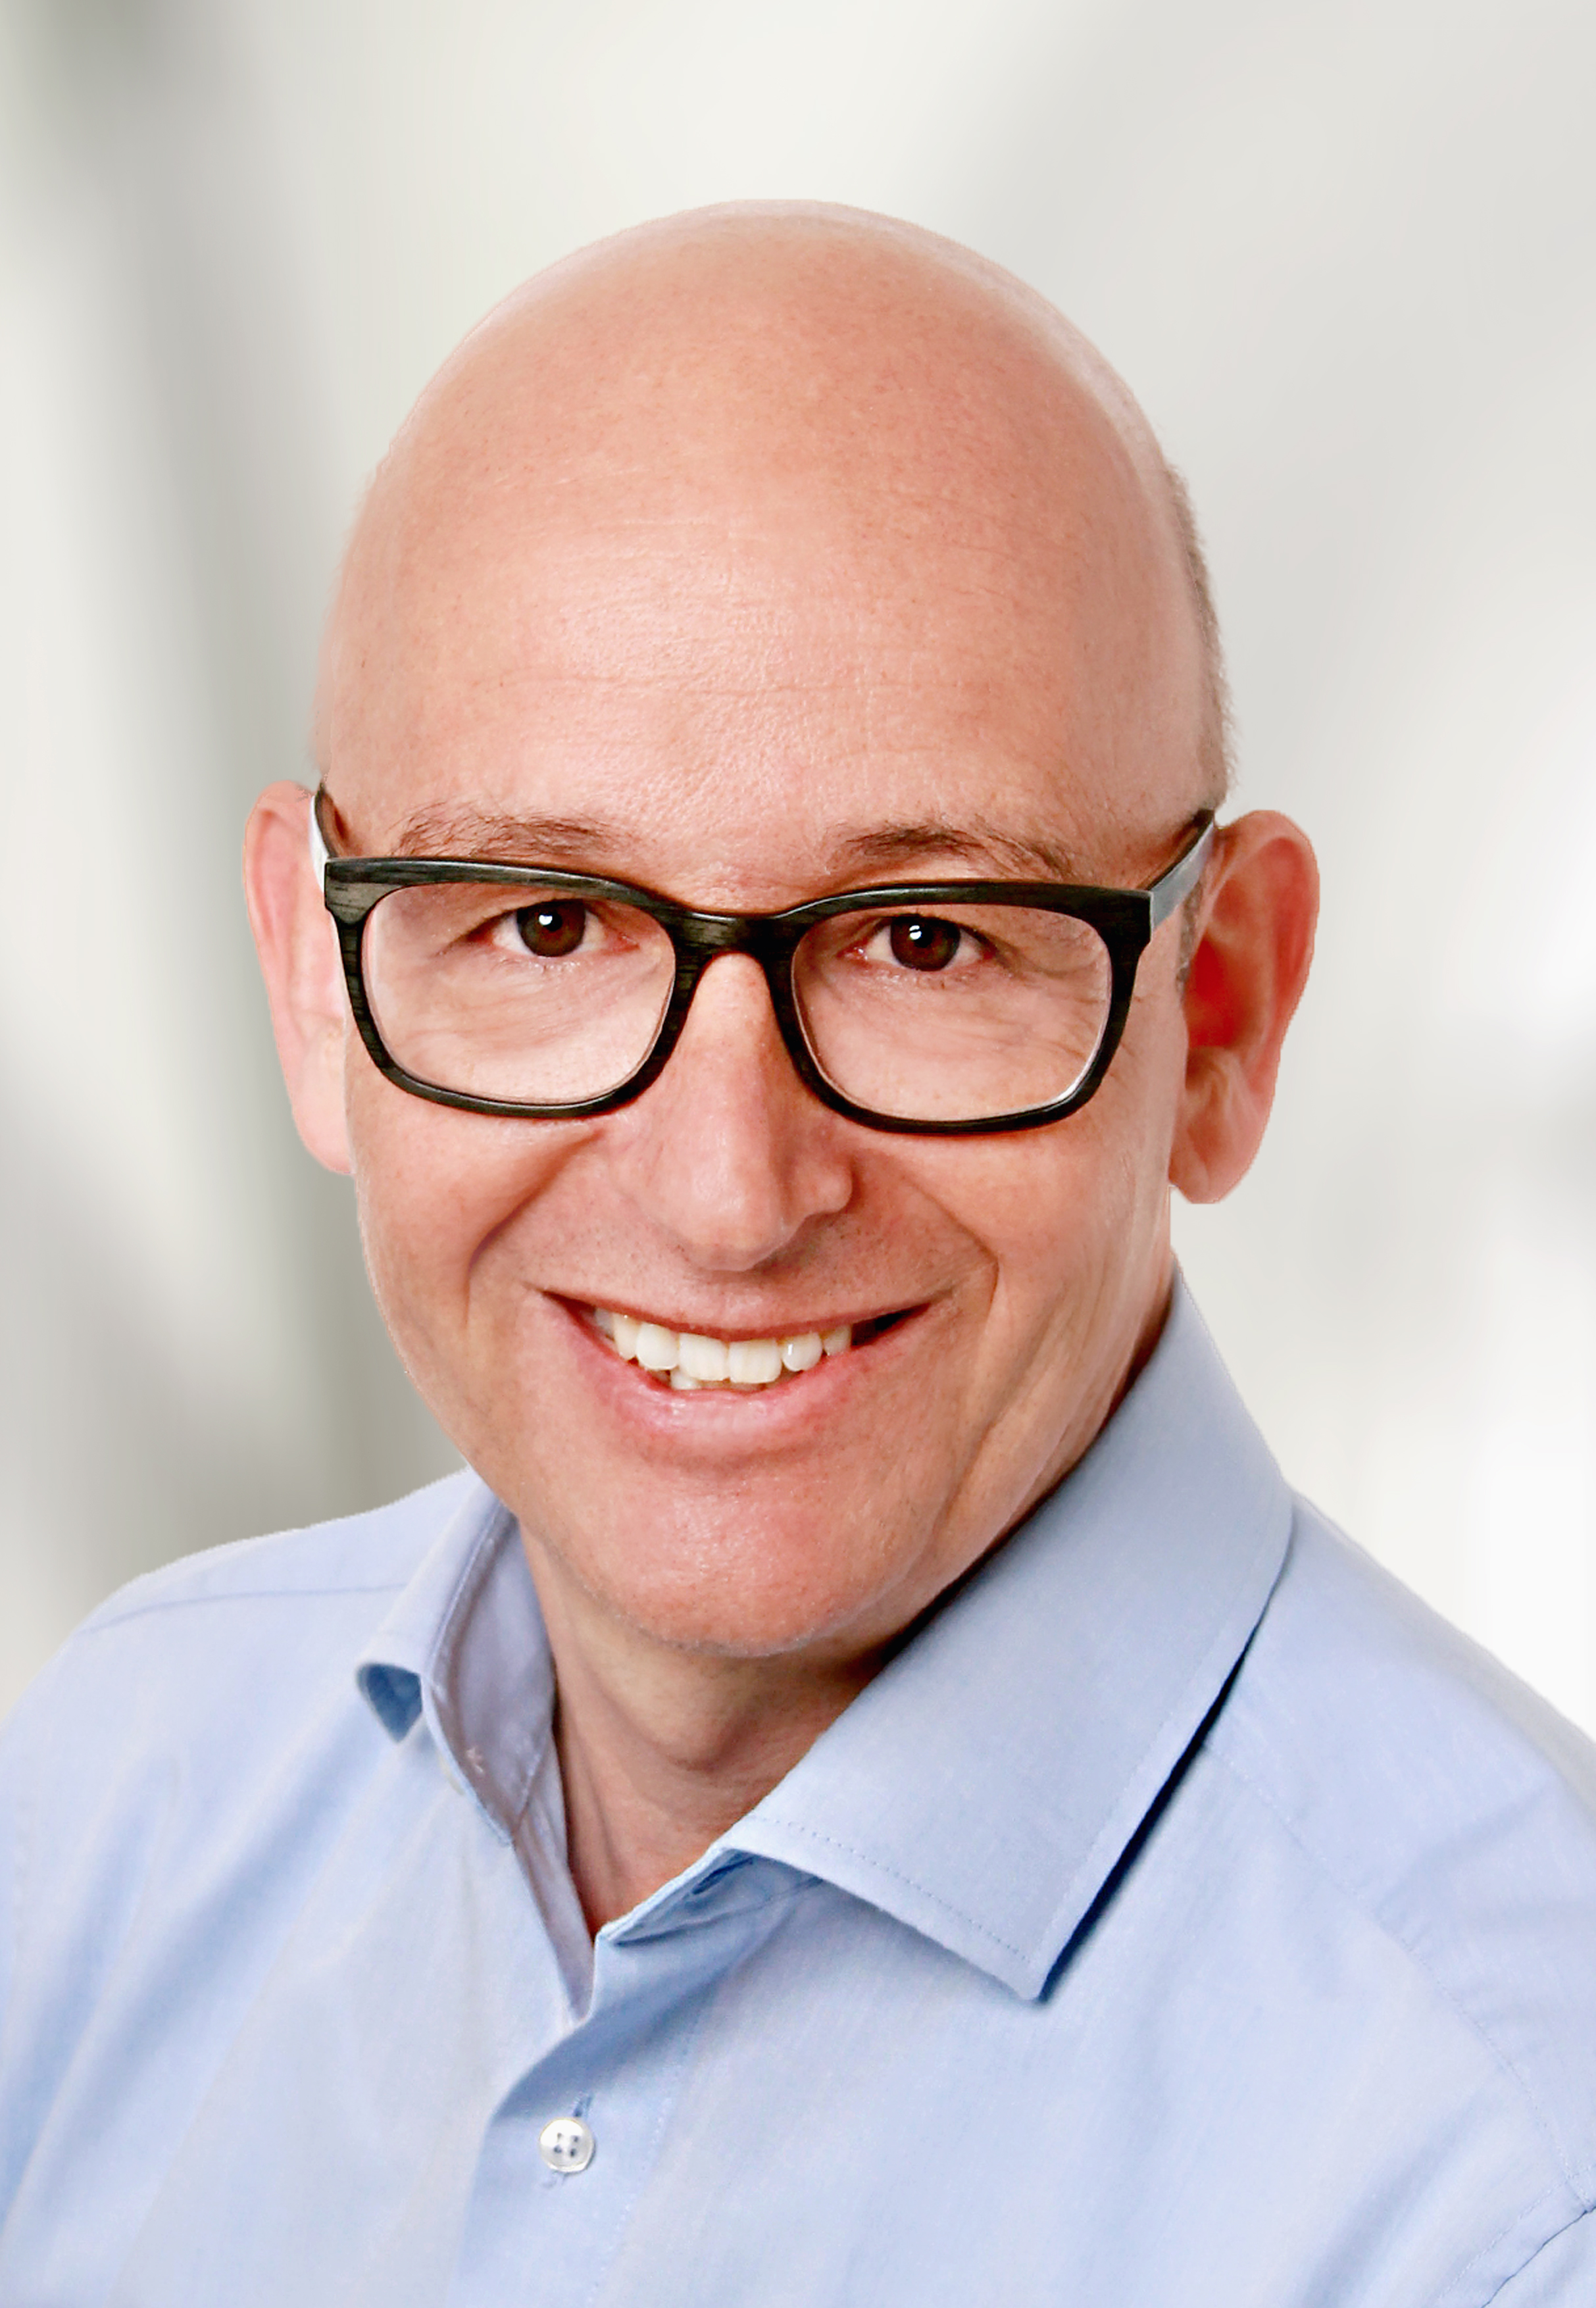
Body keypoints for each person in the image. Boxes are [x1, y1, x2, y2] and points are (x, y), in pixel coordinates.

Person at [1, 204, 1593, 2307]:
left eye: (924, 939)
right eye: (546, 924)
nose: (728, 1195)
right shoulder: (108, 1804)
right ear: (314, 982)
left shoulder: (1519, 2171)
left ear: (1216, 1017)